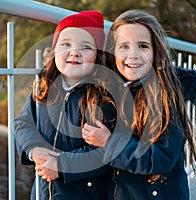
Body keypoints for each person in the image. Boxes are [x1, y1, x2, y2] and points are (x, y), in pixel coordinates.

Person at [82, 10, 196, 199]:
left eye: (143, 46)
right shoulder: (108, 96)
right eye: (124, 46)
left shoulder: (166, 99)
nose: (133, 54)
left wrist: (109, 142)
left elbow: (160, 158)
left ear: (156, 52)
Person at [14, 10, 116, 200]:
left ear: (97, 57)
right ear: (54, 51)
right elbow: (22, 122)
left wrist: (62, 166)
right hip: (43, 192)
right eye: (66, 44)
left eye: (86, 47)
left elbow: (105, 153)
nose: (74, 52)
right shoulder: (44, 89)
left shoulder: (102, 98)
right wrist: (33, 149)